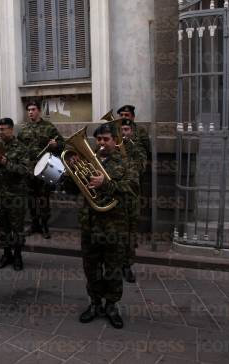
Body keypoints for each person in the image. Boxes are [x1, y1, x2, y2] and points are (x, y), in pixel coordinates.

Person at [69, 123, 138, 329]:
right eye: (98, 139)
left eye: (105, 139)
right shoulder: (90, 160)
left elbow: (132, 188)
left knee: (113, 269)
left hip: (114, 227)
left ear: (115, 141)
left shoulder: (126, 163)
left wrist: (106, 184)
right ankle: (95, 303)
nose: (101, 143)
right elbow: (74, 190)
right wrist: (72, 172)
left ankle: (111, 306)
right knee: (91, 268)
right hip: (90, 225)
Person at [17, 101, 64, 239]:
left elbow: (62, 144)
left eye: (33, 109)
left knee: (43, 199)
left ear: (39, 111)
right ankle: (34, 224)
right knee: (31, 199)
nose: (30, 112)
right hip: (29, 170)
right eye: (28, 110)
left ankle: (44, 225)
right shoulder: (24, 128)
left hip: (44, 170)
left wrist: (55, 144)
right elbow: (18, 147)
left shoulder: (49, 127)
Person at [0, 118, 30, 271]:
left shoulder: (21, 148)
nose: (0, 132)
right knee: (2, 228)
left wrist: (6, 163)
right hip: (0, 196)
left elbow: (26, 171)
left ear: (11, 129)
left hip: (16, 196)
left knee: (17, 229)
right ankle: (7, 253)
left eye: (3, 129)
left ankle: (18, 255)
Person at [120, 119, 146, 283]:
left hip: (130, 198)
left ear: (132, 132)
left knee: (129, 233)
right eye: (121, 129)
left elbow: (139, 169)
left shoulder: (137, 150)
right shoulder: (109, 147)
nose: (124, 132)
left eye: (127, 129)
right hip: (114, 198)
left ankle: (127, 265)